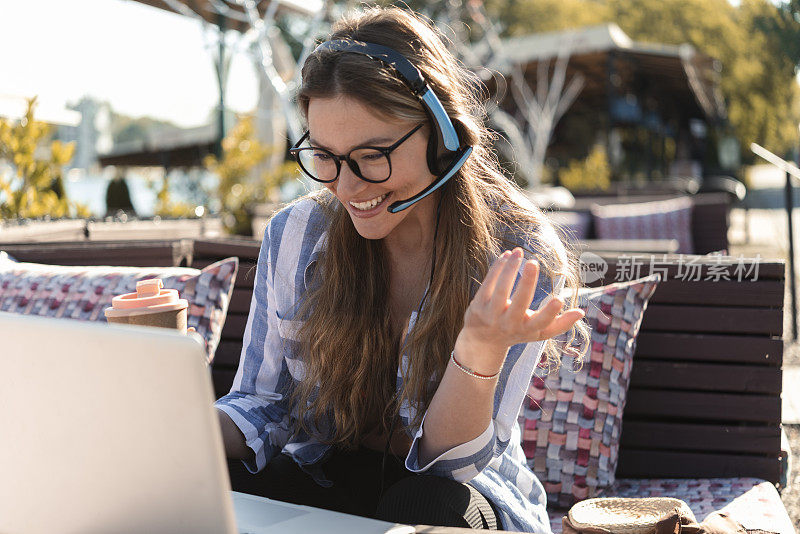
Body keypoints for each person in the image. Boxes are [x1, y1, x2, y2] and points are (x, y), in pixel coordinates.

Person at [214, 6, 589, 533]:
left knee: (423, 507)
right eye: (324, 155)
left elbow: (449, 466)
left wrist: (477, 353)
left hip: (458, 498)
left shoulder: (519, 252)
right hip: (327, 476)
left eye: (372, 156)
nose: (346, 187)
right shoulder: (296, 235)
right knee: (212, 476)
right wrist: (185, 431)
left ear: (442, 137)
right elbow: (263, 401)